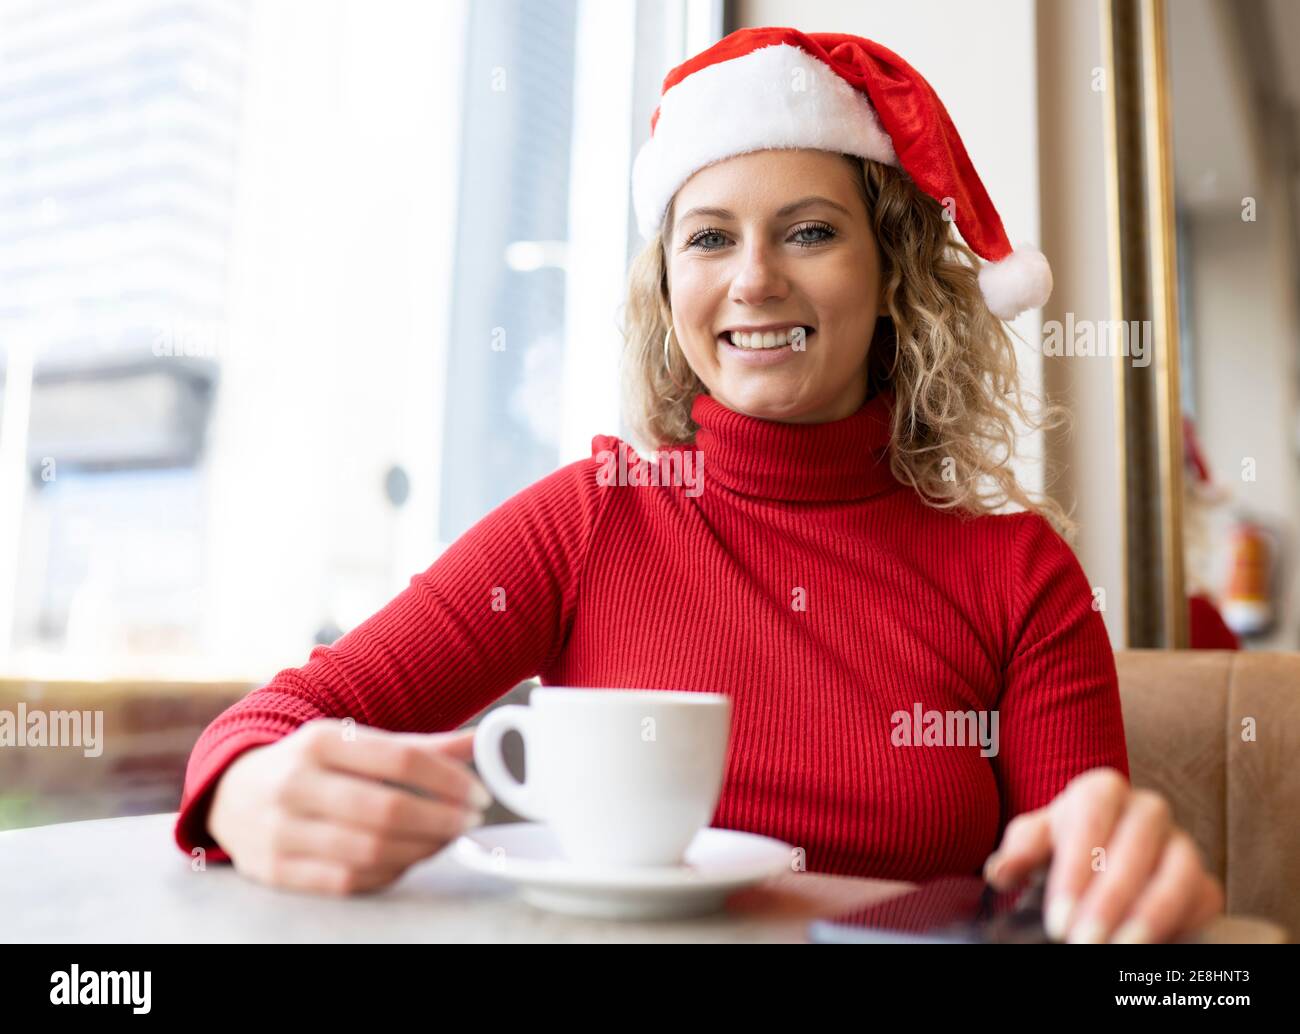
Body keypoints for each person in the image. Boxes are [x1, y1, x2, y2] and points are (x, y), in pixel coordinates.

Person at [175, 27, 1223, 944]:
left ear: (889, 272)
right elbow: (282, 717)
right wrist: (246, 788)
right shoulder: (590, 518)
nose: (753, 277)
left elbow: (1074, 885)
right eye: (709, 237)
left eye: (809, 231)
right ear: (669, 284)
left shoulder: (1020, 577)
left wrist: (1113, 872)